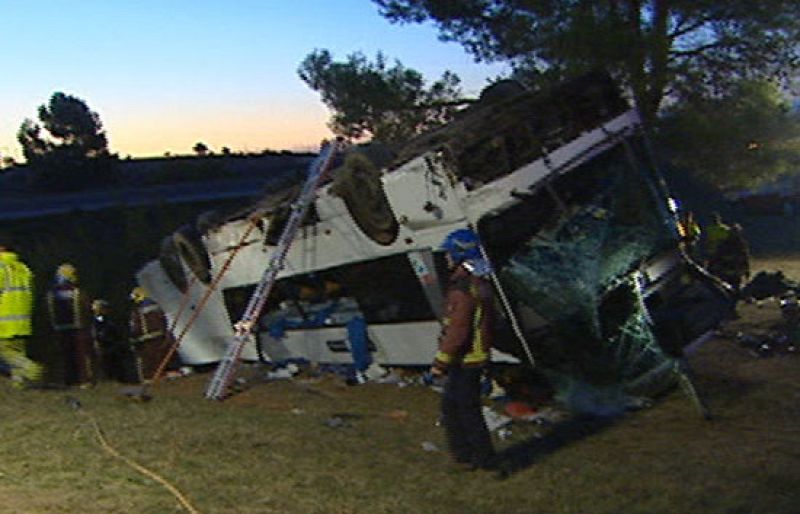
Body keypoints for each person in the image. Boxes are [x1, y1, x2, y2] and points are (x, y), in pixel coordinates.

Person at [431, 228, 497, 470]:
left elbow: (458, 330)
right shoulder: (479, 284)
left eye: (449, 253)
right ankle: (469, 457)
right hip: (474, 358)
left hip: (465, 359)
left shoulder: (462, 289)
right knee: (458, 408)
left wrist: (440, 363)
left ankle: (477, 459)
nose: (446, 258)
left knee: (462, 411)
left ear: (459, 255)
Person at [0, 244, 43, 389]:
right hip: (23, 320)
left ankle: (31, 367)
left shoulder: (1, 268)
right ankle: (19, 383)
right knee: (18, 351)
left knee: (5, 351)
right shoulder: (24, 269)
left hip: (4, 320)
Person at [46, 263, 95, 387]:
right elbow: (86, 309)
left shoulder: (52, 293)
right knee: (81, 356)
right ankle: (84, 380)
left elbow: (49, 310)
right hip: (78, 328)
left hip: (60, 327)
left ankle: (69, 380)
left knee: (66, 356)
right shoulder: (77, 292)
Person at [129, 286, 178, 383]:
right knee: (160, 357)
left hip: (147, 338)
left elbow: (138, 326)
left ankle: (153, 376)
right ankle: (161, 374)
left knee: (150, 359)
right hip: (159, 335)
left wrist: (134, 338)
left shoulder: (139, 311)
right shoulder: (155, 305)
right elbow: (163, 320)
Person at [91, 299, 138, 383]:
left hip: (113, 342)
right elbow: (99, 328)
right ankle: (112, 378)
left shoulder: (108, 318)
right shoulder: (99, 318)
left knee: (117, 361)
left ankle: (121, 377)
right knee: (109, 361)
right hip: (107, 344)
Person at [708, 223, 751, 293]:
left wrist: (746, 270)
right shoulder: (725, 244)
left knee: (735, 289)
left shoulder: (741, 244)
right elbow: (717, 256)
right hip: (726, 270)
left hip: (735, 271)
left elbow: (745, 257)